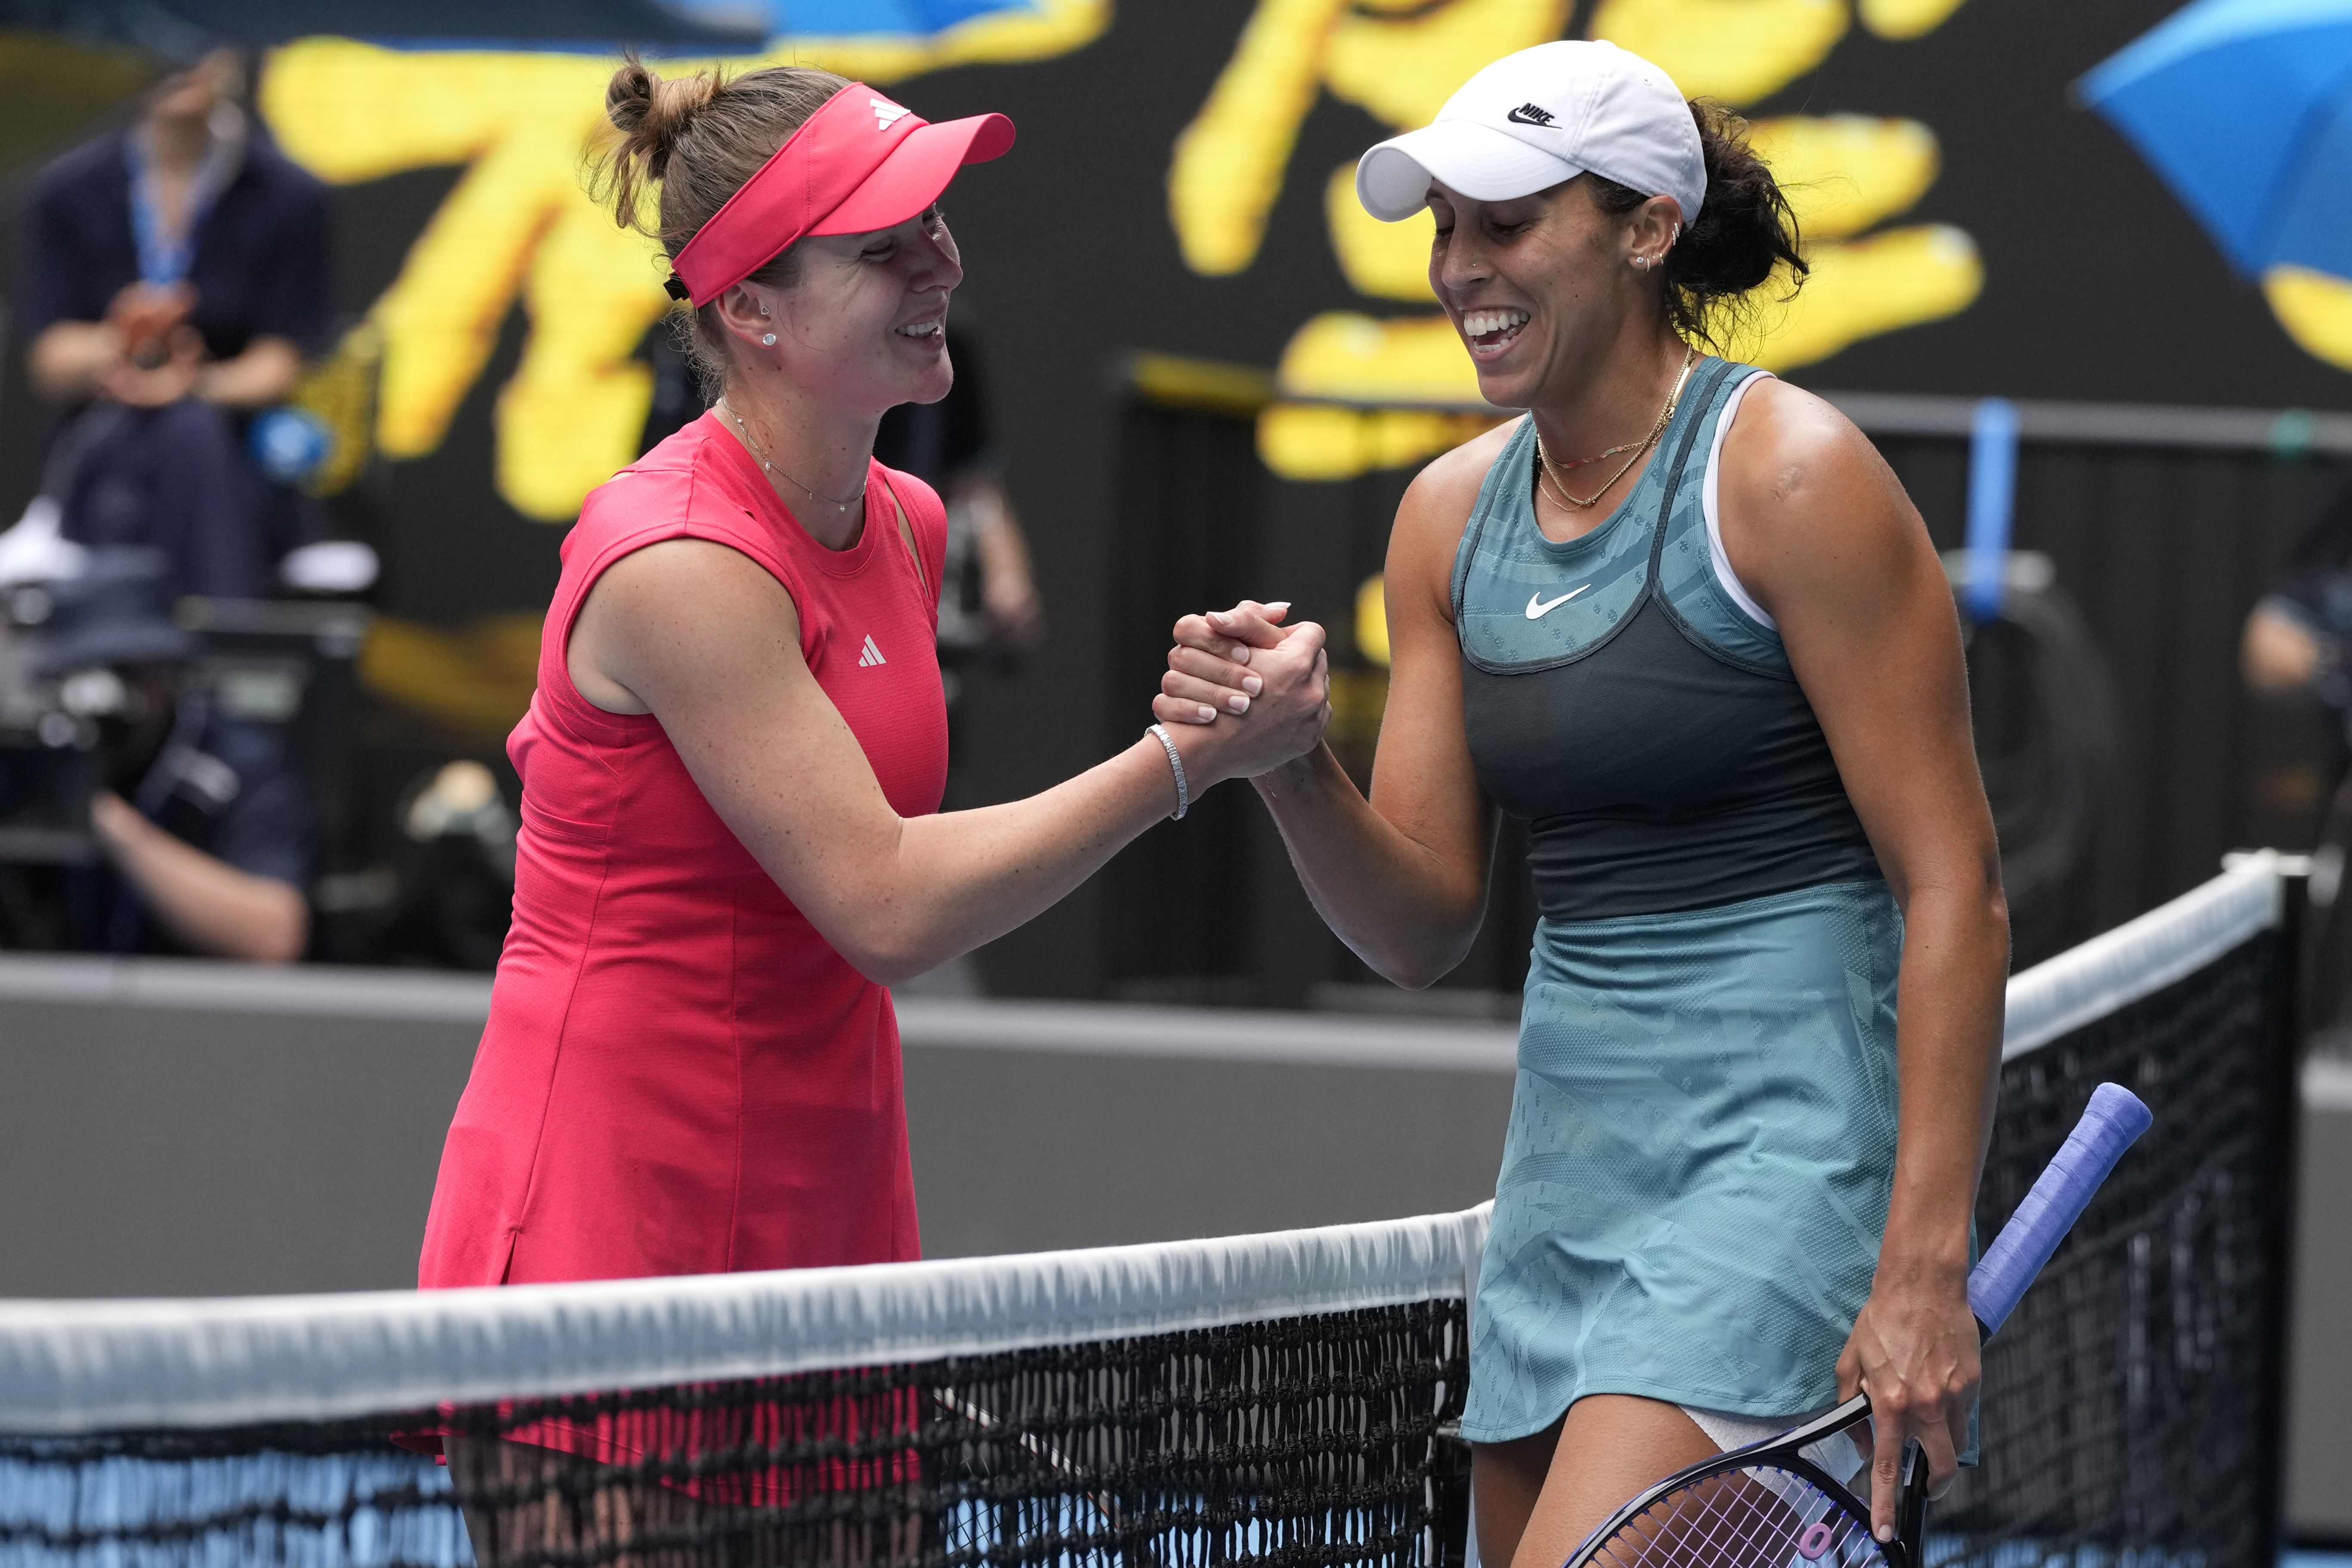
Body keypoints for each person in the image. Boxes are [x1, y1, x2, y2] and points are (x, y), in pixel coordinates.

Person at [411, 60, 1328, 1541]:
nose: (938, 264)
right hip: (611, 1197)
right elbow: (886, 902)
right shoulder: (678, 564)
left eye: (936, 226)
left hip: (827, 1193)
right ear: (751, 312)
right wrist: (1183, 760)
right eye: (882, 245)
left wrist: (1206, 727)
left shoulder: (908, 520)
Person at [1154, 41, 2007, 1564]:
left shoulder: (1791, 476)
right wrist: (1287, 761)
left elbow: (1955, 886)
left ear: (1647, 229)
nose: (1458, 269)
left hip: (1784, 1168)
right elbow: (1419, 924)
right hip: (1565, 1178)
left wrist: (1924, 1268)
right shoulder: (1443, 518)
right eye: (1446, 229)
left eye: (1507, 222)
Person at [19, 46, 331, 599]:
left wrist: (195, 385)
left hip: (232, 449)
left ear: (232, 55)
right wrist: (125, 343)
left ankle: (168, 632)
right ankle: (210, 627)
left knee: (189, 430)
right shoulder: (69, 188)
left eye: (195, 44)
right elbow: (50, 363)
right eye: (160, 46)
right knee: (148, 444)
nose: (178, 62)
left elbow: (280, 363)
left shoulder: (290, 196)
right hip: (100, 439)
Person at [0, 551, 307, 961]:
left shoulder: (234, 764)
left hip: (192, 994)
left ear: (166, 670)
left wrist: (110, 824)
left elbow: (274, 936)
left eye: (129, 671)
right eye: (82, 672)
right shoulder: (35, 758)